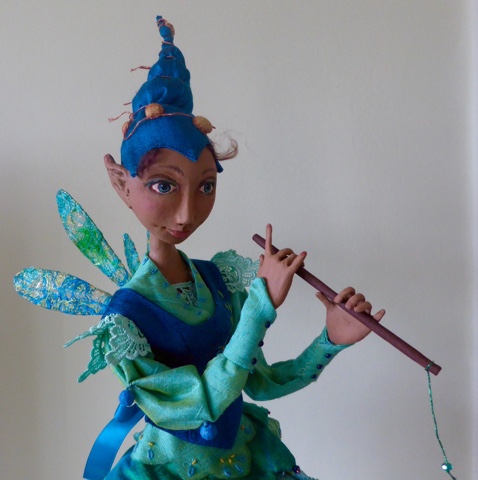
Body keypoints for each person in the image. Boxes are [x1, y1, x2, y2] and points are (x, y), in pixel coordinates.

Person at [16, 16, 385, 480]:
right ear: (122, 184)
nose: (187, 213)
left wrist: (330, 340)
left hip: (247, 457)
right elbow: (203, 403)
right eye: (163, 185)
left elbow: (262, 384)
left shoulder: (218, 281)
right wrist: (260, 307)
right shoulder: (125, 318)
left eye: (206, 186)